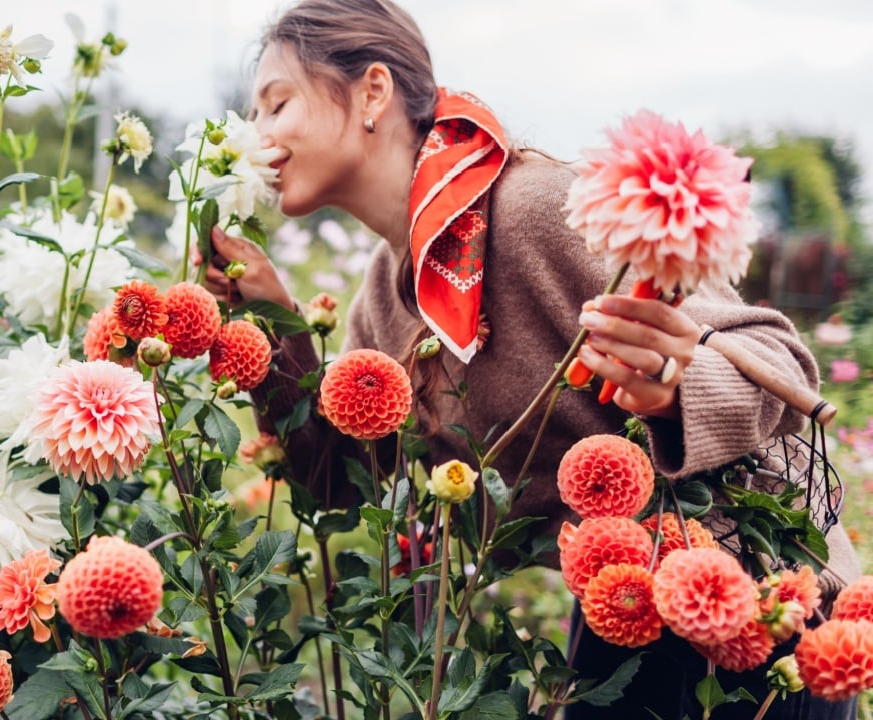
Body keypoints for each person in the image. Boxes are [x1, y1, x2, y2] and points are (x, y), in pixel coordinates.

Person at [197, 0, 861, 718]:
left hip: (753, 607)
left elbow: (779, 366)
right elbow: (337, 484)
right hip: (620, 608)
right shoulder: (387, 299)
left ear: (373, 94)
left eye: (276, 104)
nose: (257, 135)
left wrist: (675, 384)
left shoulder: (539, 208)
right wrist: (275, 326)